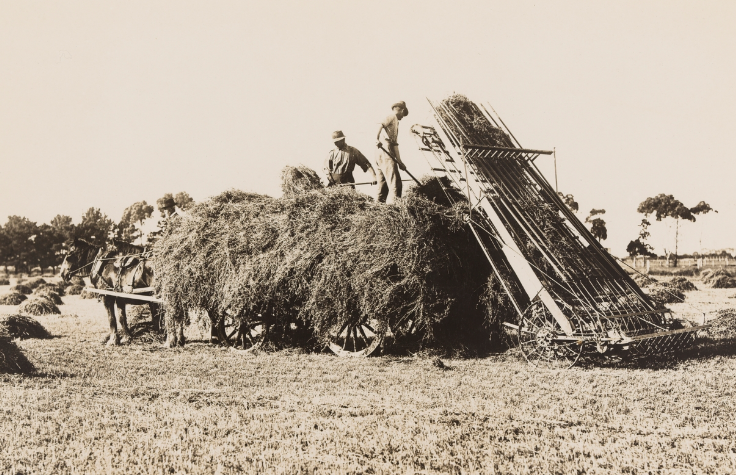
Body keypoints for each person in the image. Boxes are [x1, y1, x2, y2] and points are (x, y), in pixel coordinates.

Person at [375, 101, 408, 204]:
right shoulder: (391, 116)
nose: (402, 117)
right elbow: (379, 125)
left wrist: (400, 162)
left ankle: (379, 206)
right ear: (402, 110)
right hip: (385, 149)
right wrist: (376, 139)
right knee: (396, 182)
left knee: (383, 184)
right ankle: (397, 207)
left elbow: (395, 145)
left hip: (381, 153)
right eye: (403, 114)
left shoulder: (395, 122)